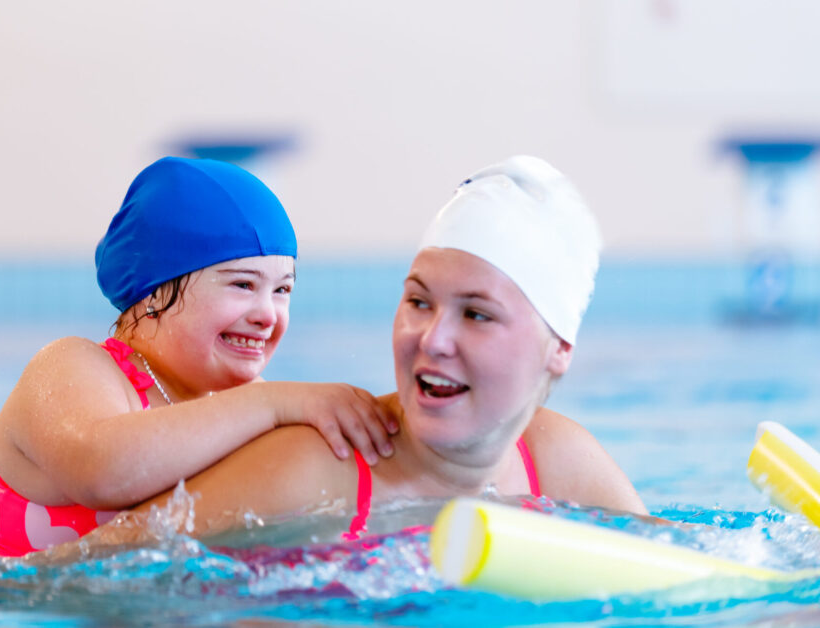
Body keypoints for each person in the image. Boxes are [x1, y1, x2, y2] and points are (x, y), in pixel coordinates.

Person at [48, 155, 647, 558]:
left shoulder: (561, 463)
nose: (434, 339)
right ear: (154, 292)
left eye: (477, 314)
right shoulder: (310, 463)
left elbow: (702, 575)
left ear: (559, 351)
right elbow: (76, 573)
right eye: (418, 301)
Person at [0, 156, 399, 557]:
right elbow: (101, 472)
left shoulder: (248, 406)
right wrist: (274, 404)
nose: (268, 314)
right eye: (243, 285)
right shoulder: (74, 367)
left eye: (282, 290)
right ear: (152, 293)